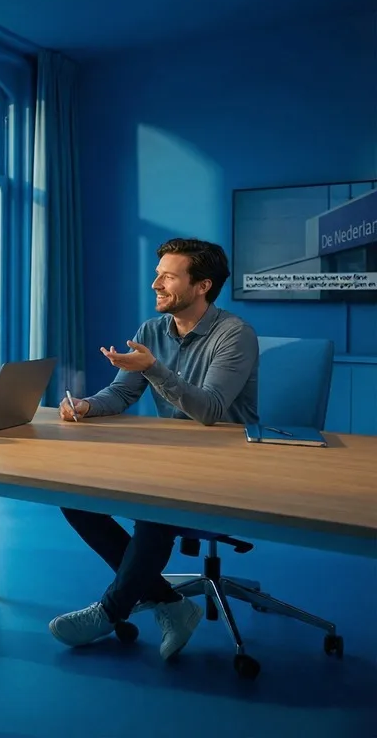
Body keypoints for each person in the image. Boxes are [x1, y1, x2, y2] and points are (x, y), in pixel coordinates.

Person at [49, 237, 259, 662]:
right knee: (73, 496)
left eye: (168, 276)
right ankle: (170, 602)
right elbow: (122, 393)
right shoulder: (152, 331)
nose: (155, 284)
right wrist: (87, 406)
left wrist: (155, 369)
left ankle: (111, 611)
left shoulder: (235, 335)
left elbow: (210, 410)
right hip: (172, 456)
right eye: (157, 274)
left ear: (202, 285)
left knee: (155, 507)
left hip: (229, 462)